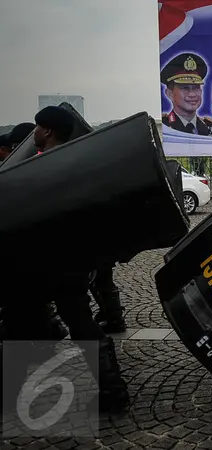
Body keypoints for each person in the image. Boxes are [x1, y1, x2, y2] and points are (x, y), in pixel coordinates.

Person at [2, 106, 129, 412]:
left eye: (37, 127)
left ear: (46, 131)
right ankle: (113, 392)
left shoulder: (40, 167)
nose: (33, 133)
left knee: (23, 323)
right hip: (69, 262)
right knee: (80, 323)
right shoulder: (76, 164)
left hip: (42, 264)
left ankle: (10, 394)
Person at [160, 53, 212, 136]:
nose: (192, 94)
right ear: (169, 94)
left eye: (196, 87)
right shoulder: (164, 126)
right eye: (185, 88)